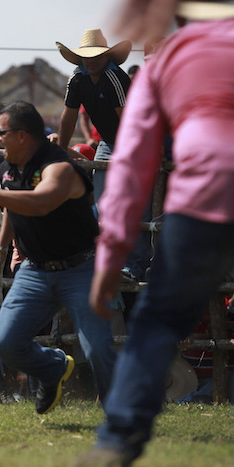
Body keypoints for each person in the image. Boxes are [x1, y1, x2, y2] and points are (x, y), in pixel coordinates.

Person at [78, 2, 234, 464]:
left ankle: (118, 438)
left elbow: (130, 168)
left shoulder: (163, 66)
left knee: (158, 320)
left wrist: (110, 259)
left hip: (202, 195)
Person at [0, 101, 116, 414]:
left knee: (97, 349)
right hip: (35, 270)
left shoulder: (59, 166)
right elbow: (14, 206)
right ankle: (53, 368)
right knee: (5, 343)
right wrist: (1, 249)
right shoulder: (11, 166)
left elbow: (41, 202)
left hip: (80, 268)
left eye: (2, 133)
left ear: (23, 136)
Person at [56, 28, 132, 205]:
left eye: (97, 55)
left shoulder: (115, 78)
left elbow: (129, 121)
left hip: (130, 141)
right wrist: (60, 150)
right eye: (87, 56)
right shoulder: (76, 79)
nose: (92, 60)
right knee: (100, 199)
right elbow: (68, 117)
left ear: (107, 56)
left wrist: (134, 152)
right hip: (107, 142)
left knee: (132, 200)